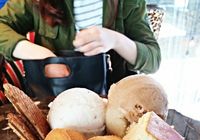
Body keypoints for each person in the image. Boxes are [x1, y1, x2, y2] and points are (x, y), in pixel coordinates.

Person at [0, 0, 161, 95]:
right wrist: (41, 55)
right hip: (52, 101)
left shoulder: (128, 3)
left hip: (111, 103)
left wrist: (116, 40)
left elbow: (153, 59)